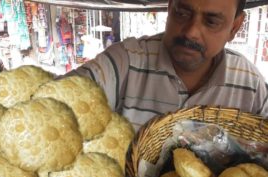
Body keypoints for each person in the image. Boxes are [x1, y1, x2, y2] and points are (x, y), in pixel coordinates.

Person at [61, 0, 268, 131]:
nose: (190, 32)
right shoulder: (125, 61)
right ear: (170, 8)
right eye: (182, 13)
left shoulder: (251, 86)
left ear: (235, 27)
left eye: (211, 21)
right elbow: (58, 101)